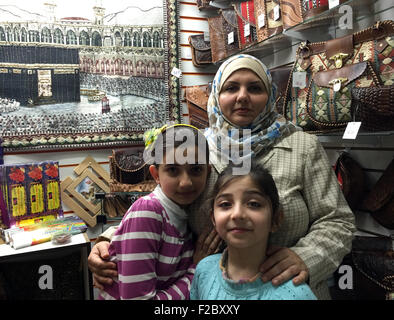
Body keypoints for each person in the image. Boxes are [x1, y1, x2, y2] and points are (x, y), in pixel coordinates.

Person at [89, 54, 356, 299]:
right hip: (213, 290)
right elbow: (163, 205)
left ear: (271, 95)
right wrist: (108, 241)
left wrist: (306, 258)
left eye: (255, 88)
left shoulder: (302, 147)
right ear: (216, 95)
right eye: (231, 88)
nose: (242, 97)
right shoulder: (200, 150)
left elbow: (337, 220)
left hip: (286, 290)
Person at [98, 124, 220, 300]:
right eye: (172, 170)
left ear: (207, 173)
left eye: (195, 170)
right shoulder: (148, 212)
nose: (185, 182)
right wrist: (197, 269)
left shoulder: (183, 214)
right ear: (156, 174)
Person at [190, 161, 316, 300]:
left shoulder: (296, 294)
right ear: (213, 218)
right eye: (225, 204)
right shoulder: (203, 271)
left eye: (253, 204)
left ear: (275, 220)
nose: (237, 214)